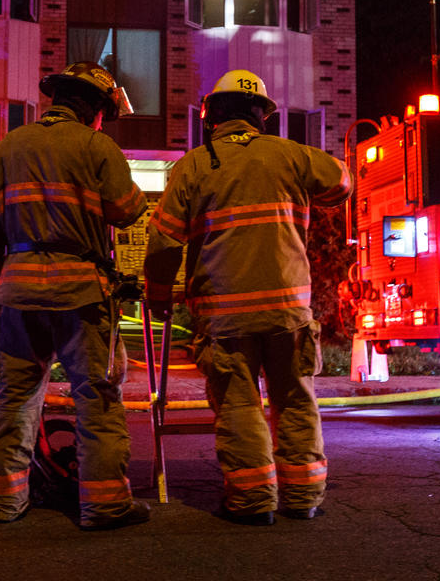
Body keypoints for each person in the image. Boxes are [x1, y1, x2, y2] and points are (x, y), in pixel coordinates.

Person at [143, 70, 352, 525]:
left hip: (225, 316)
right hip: (287, 311)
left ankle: (254, 502)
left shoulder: (195, 165)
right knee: (294, 399)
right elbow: (341, 183)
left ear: (211, 115)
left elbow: (163, 241)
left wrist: (158, 295)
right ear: (262, 115)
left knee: (238, 405)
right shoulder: (290, 154)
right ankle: (303, 496)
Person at [0, 61, 151, 530]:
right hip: (81, 293)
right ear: (95, 108)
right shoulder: (97, 146)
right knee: (96, 399)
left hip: (18, 291)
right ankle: (105, 506)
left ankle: (2, 503)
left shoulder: (9, 146)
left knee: (15, 398)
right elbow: (128, 212)